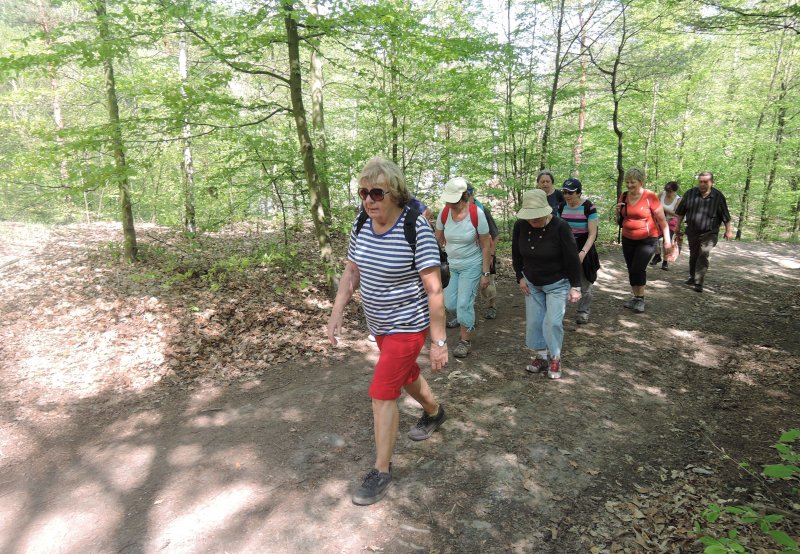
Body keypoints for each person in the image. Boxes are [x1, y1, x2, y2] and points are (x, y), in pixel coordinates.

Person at [327, 157, 449, 506]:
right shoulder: (362, 223)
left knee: (382, 390)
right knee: (406, 373)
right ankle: (434, 411)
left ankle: (381, 470)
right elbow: (352, 272)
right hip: (378, 323)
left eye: (377, 193)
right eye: (364, 192)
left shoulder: (415, 227)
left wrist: (439, 341)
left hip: (409, 325)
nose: (369, 200)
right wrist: (336, 312)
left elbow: (434, 289)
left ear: (394, 193)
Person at [512, 189, 582, 379]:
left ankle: (555, 357)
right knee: (534, 322)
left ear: (546, 211)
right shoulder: (520, 226)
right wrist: (520, 276)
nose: (532, 221)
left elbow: (572, 259)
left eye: (536, 216)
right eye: (529, 217)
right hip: (532, 283)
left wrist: (576, 286)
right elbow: (516, 254)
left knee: (552, 322)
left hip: (557, 283)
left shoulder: (560, 227)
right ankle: (541, 357)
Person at [436, 177, 492, 358]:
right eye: (448, 201)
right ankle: (467, 318)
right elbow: (438, 240)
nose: (450, 204)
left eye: (454, 201)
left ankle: (465, 341)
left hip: (472, 265)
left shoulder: (477, 214)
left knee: (463, 304)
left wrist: (485, 272)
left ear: (465, 196)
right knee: (450, 303)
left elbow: (485, 244)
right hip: (452, 266)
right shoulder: (444, 213)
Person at [615, 167, 675, 313]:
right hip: (628, 237)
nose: (629, 185)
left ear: (641, 182)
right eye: (627, 182)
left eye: (633, 182)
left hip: (647, 239)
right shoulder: (623, 196)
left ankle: (640, 299)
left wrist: (667, 242)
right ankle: (635, 297)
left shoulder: (650, 197)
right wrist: (618, 212)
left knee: (638, 268)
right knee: (631, 269)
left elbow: (662, 221)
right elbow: (620, 221)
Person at [674, 171, 732, 293]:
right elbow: (680, 212)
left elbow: (725, 215)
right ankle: (692, 276)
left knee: (703, 254)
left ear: (711, 182)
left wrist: (728, 231)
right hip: (692, 230)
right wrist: (677, 226)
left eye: (705, 182)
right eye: (700, 181)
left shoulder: (718, 196)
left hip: (710, 232)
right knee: (694, 255)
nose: (702, 184)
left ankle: (699, 281)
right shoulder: (690, 194)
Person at [558, 178, 600, 324]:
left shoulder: (589, 207)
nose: (567, 195)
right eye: (564, 192)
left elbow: (592, 233)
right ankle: (558, 311)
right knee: (560, 280)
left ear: (579, 192)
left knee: (585, 282)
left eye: (570, 192)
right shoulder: (561, 207)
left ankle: (583, 311)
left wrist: (582, 253)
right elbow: (557, 229)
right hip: (565, 246)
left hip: (585, 246)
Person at [466, 181, 500, 320]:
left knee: (487, 283)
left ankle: (492, 306)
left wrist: (491, 254)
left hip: (485, 251)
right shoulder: (455, 211)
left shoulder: (482, 210)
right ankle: (463, 312)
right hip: (467, 253)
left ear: (469, 194)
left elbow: (495, 234)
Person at [650, 181, 681, 271]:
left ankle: (665, 262)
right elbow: (654, 205)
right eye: (667, 190)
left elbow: (676, 213)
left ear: (674, 191)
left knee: (667, 241)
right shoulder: (661, 194)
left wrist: (662, 208)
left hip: (671, 222)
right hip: (658, 220)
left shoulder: (678, 200)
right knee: (653, 237)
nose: (668, 193)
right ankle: (657, 255)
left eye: (670, 191)